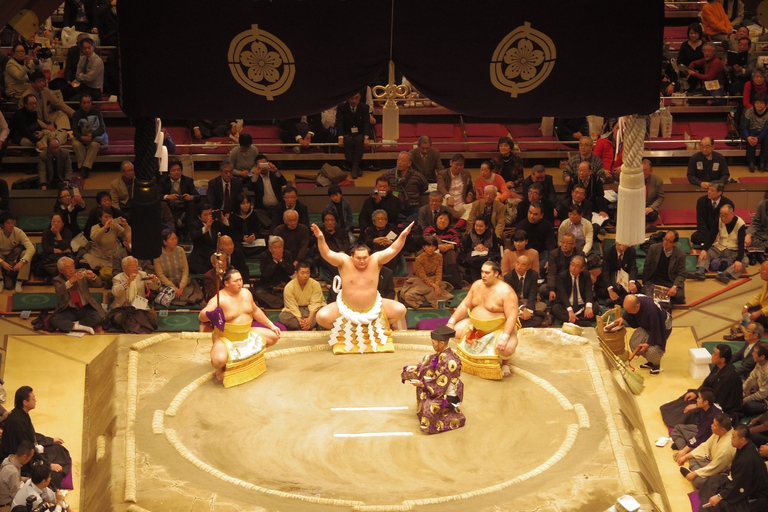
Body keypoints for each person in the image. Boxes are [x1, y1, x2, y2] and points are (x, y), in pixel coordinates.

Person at [311, 222, 413, 331]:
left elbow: (393, 249)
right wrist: (321, 238)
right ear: (351, 257)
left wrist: (403, 236)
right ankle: (346, 329)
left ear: (369, 256)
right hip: (346, 308)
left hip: (374, 307)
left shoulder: (375, 260)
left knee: (400, 310)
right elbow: (326, 253)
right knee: (321, 317)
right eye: (358, 258)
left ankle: (374, 326)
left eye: (365, 258)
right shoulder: (344, 261)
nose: (362, 261)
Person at [199, 269, 280, 381]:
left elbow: (255, 311)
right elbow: (201, 316)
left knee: (274, 336)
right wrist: (211, 314)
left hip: (246, 334)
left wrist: (271, 325)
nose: (239, 283)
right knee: (218, 361)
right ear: (226, 283)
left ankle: (247, 357)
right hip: (226, 337)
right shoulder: (219, 299)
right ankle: (221, 368)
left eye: (240, 279)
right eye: (236, 281)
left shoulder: (246, 293)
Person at [447, 260, 519, 378]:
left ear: (496, 274)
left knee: (506, 349)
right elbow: (465, 305)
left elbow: (511, 317)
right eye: (482, 272)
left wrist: (505, 337)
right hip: (475, 325)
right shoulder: (476, 285)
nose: (483, 275)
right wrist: (451, 322)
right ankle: (470, 354)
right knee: (452, 331)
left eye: (487, 272)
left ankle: (506, 362)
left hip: (499, 328)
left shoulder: (506, 292)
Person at [0, 386, 71, 490]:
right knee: (52, 476)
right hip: (22, 459)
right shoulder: (18, 421)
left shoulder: (21, 414)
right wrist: (49, 464)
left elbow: (32, 435)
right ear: (25, 402)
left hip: (29, 451)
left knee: (58, 449)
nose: (35, 400)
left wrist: (51, 440)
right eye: (33, 398)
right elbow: (27, 448)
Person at [401, 324, 465, 434]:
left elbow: (440, 385)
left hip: (448, 395)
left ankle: (452, 418)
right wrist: (417, 367)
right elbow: (430, 363)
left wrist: (422, 383)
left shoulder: (449, 361)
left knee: (429, 408)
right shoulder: (442, 354)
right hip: (441, 387)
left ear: (441, 343)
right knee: (421, 386)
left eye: (433, 342)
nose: (432, 344)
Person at [660, 344, 743, 426]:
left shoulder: (728, 377)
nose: (712, 355)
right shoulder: (718, 367)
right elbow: (706, 383)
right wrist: (696, 393)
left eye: (715, 354)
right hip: (709, 398)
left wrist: (698, 405)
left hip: (720, 407)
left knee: (691, 412)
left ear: (722, 359)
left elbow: (719, 400)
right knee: (688, 397)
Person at [698, 424, 768, 511]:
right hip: (738, 481)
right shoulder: (746, 446)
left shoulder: (747, 459)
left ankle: (706, 506)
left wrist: (720, 496)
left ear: (742, 440)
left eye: (734, 437)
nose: (731, 439)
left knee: (722, 504)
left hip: (751, 495)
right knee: (714, 479)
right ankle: (706, 503)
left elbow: (740, 484)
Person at [611, 294, 672, 375]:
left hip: (661, 326)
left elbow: (656, 329)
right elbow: (629, 310)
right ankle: (650, 361)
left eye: (629, 311)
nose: (628, 312)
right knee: (635, 342)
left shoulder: (651, 310)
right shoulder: (636, 299)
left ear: (637, 306)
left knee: (652, 350)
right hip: (647, 325)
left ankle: (656, 364)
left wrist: (648, 343)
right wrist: (623, 318)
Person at [690, 205, 748, 285]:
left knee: (744, 260)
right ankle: (700, 271)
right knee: (706, 252)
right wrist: (704, 249)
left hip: (734, 250)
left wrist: (738, 260)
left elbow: (741, 243)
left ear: (732, 214)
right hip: (719, 247)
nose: (723, 218)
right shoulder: (719, 220)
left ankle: (725, 274)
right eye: (721, 215)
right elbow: (711, 236)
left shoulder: (740, 224)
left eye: (725, 215)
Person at [678, 414, 736, 490]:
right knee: (692, 454)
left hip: (720, 471)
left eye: (714, 425)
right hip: (709, 460)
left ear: (723, 430)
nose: (711, 426)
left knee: (698, 481)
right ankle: (695, 470)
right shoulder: (720, 433)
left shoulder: (727, 447)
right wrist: (686, 456)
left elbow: (715, 467)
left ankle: (693, 471)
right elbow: (705, 446)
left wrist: (695, 473)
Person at [106, 256, 160, 334]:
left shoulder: (142, 275)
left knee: (153, 316)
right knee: (118, 318)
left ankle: (134, 325)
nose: (135, 268)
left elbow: (154, 287)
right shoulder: (117, 278)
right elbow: (115, 292)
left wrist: (155, 280)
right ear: (124, 268)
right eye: (132, 266)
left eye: (136, 266)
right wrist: (127, 282)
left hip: (139, 307)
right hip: (123, 308)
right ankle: (139, 325)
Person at [51, 257, 104, 333]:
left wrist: (93, 276)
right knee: (55, 320)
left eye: (72, 266)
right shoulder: (57, 279)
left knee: (98, 318)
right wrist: (71, 280)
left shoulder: (81, 272)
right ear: (61, 270)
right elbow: (59, 291)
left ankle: (75, 325)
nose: (71, 269)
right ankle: (84, 327)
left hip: (85, 308)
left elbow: (99, 284)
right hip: (69, 309)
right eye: (67, 267)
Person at [19, 71, 73, 144]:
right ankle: (57, 139)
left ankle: (64, 133)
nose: (42, 84)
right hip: (35, 124)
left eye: (43, 81)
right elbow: (28, 118)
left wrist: (74, 114)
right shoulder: (26, 96)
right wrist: (46, 126)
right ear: (32, 83)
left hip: (47, 118)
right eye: (39, 82)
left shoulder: (46, 91)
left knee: (61, 113)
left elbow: (59, 104)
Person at [401, 236, 454, 309]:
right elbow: (423, 276)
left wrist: (437, 285)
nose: (430, 248)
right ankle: (426, 298)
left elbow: (439, 272)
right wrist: (435, 286)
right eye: (428, 246)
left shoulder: (439, 256)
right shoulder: (419, 258)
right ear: (424, 247)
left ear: (436, 247)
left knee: (438, 293)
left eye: (433, 246)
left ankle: (428, 298)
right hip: (421, 280)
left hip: (434, 279)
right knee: (409, 295)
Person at [154, 229, 204, 307]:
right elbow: (160, 275)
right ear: (164, 242)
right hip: (167, 284)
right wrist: (173, 287)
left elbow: (185, 270)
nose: (175, 241)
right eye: (172, 239)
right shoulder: (158, 254)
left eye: (175, 238)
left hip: (181, 282)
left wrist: (182, 285)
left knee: (194, 293)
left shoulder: (180, 250)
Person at [671, 389, 721, 460]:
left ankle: (685, 452)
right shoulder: (705, 407)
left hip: (707, 439)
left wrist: (685, 450)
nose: (697, 400)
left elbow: (701, 437)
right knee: (677, 429)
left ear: (706, 402)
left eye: (699, 398)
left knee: (688, 439)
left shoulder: (711, 417)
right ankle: (683, 450)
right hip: (699, 430)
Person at [642, 230, 687, 305]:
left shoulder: (681, 254)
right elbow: (647, 267)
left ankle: (660, 300)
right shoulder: (653, 248)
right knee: (644, 291)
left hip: (671, 282)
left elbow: (681, 274)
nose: (665, 242)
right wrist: (646, 283)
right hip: (656, 280)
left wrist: (674, 287)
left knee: (680, 297)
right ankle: (662, 300)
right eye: (665, 239)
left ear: (674, 243)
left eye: (668, 241)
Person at [380, 152, 428, 223]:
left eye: (402, 160)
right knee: (389, 212)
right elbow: (381, 185)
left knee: (421, 212)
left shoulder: (417, 176)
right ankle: (407, 223)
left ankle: (403, 224)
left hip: (412, 206)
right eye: (398, 160)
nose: (399, 162)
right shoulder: (388, 174)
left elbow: (424, 187)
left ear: (409, 163)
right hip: (395, 206)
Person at [504, 254, 549, 327]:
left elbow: (532, 294)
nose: (519, 267)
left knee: (541, 307)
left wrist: (529, 311)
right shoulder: (508, 277)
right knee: (508, 312)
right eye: (517, 263)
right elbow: (512, 297)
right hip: (515, 302)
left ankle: (522, 320)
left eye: (523, 265)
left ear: (528, 267)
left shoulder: (533, 274)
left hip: (528, 301)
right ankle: (542, 316)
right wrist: (523, 309)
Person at [278, 262, 326, 331]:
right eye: (302, 273)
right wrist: (300, 319)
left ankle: (304, 326)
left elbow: (315, 303)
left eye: (307, 273)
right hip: (297, 310)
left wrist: (310, 319)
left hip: (311, 311)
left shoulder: (315, 284)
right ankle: (307, 326)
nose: (305, 275)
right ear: (296, 273)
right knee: (283, 317)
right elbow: (292, 305)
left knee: (323, 314)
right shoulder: (289, 286)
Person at [551, 255, 595, 327]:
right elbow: (563, 295)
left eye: (577, 266)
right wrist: (570, 311)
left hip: (581, 305)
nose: (573, 268)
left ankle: (569, 320)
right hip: (567, 305)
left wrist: (588, 306)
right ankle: (582, 322)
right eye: (572, 264)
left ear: (582, 269)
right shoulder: (562, 276)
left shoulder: (586, 275)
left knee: (594, 308)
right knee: (555, 308)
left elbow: (588, 291)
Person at [158, 161, 199, 238]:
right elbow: (157, 195)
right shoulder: (163, 181)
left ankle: (190, 235)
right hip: (170, 207)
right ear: (169, 173)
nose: (176, 172)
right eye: (173, 170)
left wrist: (191, 197)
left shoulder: (188, 181)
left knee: (192, 204)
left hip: (184, 207)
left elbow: (197, 196)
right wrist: (167, 196)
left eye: (178, 170)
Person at [423, 211, 462, 289]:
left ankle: (451, 279)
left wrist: (449, 246)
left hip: (447, 251)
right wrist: (438, 246)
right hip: (433, 250)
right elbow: (426, 240)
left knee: (452, 253)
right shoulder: (430, 229)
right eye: (441, 218)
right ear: (436, 219)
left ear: (449, 222)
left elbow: (456, 242)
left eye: (446, 219)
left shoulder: (452, 231)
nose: (443, 221)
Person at [71, 94, 107, 178]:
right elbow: (75, 130)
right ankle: (83, 167)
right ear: (80, 104)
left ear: (91, 103)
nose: (86, 105)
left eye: (88, 102)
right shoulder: (76, 114)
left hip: (93, 137)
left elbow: (102, 128)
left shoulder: (97, 113)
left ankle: (85, 167)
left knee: (95, 145)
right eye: (84, 103)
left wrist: (92, 135)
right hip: (81, 137)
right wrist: (81, 137)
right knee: (76, 144)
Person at [82, 206, 127, 275]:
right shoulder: (95, 227)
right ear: (100, 218)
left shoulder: (114, 226)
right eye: (106, 217)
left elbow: (127, 234)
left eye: (110, 216)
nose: (109, 219)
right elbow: (94, 238)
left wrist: (125, 225)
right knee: (84, 263)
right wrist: (104, 228)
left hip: (112, 256)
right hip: (98, 256)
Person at [188, 203, 231, 274]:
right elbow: (194, 237)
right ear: (199, 217)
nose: (209, 217)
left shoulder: (216, 223)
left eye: (210, 214)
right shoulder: (195, 224)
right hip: (200, 257)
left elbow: (228, 232)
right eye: (205, 215)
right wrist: (206, 227)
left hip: (214, 256)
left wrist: (223, 219)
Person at [336, 90, 370, 178]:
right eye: (352, 98)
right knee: (349, 140)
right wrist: (340, 137)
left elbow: (366, 123)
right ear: (348, 98)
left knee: (359, 140)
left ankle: (354, 167)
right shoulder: (341, 107)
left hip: (359, 132)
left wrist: (366, 137)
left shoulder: (365, 107)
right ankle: (355, 167)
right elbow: (339, 123)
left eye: (356, 98)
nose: (354, 101)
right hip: (347, 132)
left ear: (360, 98)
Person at [254, 236, 295, 309]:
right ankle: (283, 303)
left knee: (295, 292)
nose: (278, 250)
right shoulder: (264, 255)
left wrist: (282, 261)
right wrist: (275, 262)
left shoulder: (287, 254)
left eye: (280, 247)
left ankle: (274, 304)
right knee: (259, 293)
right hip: (268, 285)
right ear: (270, 248)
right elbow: (265, 274)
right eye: (275, 248)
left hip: (283, 285)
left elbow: (291, 271)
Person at [540, 232, 584, 301]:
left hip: (574, 282)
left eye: (567, 243)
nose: (564, 245)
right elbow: (552, 273)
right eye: (563, 242)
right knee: (543, 289)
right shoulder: (554, 254)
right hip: (559, 283)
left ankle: (564, 298)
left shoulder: (579, 254)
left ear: (574, 245)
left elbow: (583, 271)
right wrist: (552, 289)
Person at [248, 154, 286, 230]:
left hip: (277, 207)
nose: (264, 167)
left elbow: (284, 182)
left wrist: (275, 170)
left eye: (265, 164)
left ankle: (272, 226)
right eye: (261, 165)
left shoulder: (274, 174)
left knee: (282, 213)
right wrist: (256, 174)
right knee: (256, 213)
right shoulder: (255, 177)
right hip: (263, 209)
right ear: (257, 166)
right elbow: (250, 188)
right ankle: (273, 226)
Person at [693, 183, 735, 250]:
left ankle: (708, 244)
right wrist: (711, 236)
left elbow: (728, 222)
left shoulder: (728, 203)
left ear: (719, 193)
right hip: (707, 231)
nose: (709, 192)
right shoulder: (701, 201)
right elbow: (700, 222)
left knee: (732, 237)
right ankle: (716, 243)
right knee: (695, 237)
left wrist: (718, 235)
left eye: (712, 190)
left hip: (721, 232)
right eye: (708, 190)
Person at [0, 212, 34, 293]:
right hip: (2, 255)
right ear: (2, 225)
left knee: (26, 254)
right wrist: (2, 262)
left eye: (12, 222)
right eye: (8, 223)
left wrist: (22, 261)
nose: (11, 225)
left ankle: (19, 281)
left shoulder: (18, 232)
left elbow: (31, 248)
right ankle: (0, 280)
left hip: (15, 256)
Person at [596, 242, 638, 309]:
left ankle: (614, 302)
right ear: (615, 242)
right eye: (619, 245)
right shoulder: (608, 252)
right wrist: (610, 290)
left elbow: (633, 268)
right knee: (602, 292)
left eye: (624, 245)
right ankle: (620, 300)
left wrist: (631, 282)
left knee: (636, 288)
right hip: (611, 277)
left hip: (624, 278)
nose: (621, 248)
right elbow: (605, 272)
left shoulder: (631, 251)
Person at [459, 217, 501, 282]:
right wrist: (474, 248)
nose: (478, 228)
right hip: (474, 259)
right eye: (476, 226)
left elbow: (496, 250)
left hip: (487, 257)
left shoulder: (492, 234)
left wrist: (487, 249)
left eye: (481, 226)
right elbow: (466, 249)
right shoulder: (471, 234)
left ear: (486, 226)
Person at [437, 154, 473, 226]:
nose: (458, 167)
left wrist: (470, 193)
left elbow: (470, 188)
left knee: (474, 206)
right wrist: (448, 197)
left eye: (461, 165)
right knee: (442, 202)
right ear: (451, 163)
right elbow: (441, 187)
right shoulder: (443, 174)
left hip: (461, 204)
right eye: (456, 164)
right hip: (448, 204)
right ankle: (444, 226)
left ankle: (458, 226)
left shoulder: (466, 174)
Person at [0, 441, 35, 512]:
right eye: (30, 457)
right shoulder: (13, 472)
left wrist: (28, 479)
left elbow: (9, 479)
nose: (30, 459)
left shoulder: (8, 459)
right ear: (25, 456)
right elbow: (17, 495)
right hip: (6, 506)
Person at [39, 214, 73, 279]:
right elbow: (46, 248)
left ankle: (54, 274)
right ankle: (59, 274)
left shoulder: (67, 232)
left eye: (58, 222)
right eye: (53, 221)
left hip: (63, 256)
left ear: (63, 223)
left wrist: (58, 234)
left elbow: (65, 246)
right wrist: (61, 251)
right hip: (50, 256)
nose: (55, 224)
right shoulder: (46, 232)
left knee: (67, 262)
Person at [318, 210, 350, 278]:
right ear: (323, 222)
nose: (330, 223)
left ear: (336, 222)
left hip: (341, 254)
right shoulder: (320, 233)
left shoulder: (342, 232)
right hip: (327, 256)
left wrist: (342, 252)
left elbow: (346, 243)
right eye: (327, 220)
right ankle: (340, 277)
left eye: (332, 220)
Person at [741, 93, 768, 173]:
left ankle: (762, 162)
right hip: (751, 131)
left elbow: (766, 128)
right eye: (757, 102)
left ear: (765, 104)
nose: (759, 105)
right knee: (750, 138)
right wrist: (747, 137)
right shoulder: (749, 111)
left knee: (767, 138)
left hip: (763, 132)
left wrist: (758, 138)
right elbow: (744, 127)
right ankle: (751, 162)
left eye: (761, 103)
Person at [741, 341, 768, 416]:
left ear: (762, 357)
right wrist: (742, 390)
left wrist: (746, 399)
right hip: (757, 389)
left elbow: (763, 394)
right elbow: (751, 377)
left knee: (748, 406)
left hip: (765, 399)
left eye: (755, 352)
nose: (752, 354)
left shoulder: (767, 371)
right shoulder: (759, 363)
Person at [740, 262, 768, 330]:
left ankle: (748, 330)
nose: (760, 273)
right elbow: (760, 296)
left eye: (763, 270)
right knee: (749, 311)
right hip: (763, 307)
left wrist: (759, 312)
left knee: (756, 317)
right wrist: (747, 305)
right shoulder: (766, 281)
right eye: (760, 270)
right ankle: (745, 328)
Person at [643, 159, 665, 227]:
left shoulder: (658, 181)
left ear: (651, 171)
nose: (643, 172)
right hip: (635, 206)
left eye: (645, 170)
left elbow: (660, 197)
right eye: (641, 170)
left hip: (649, 207)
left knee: (653, 216)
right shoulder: (633, 179)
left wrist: (651, 208)